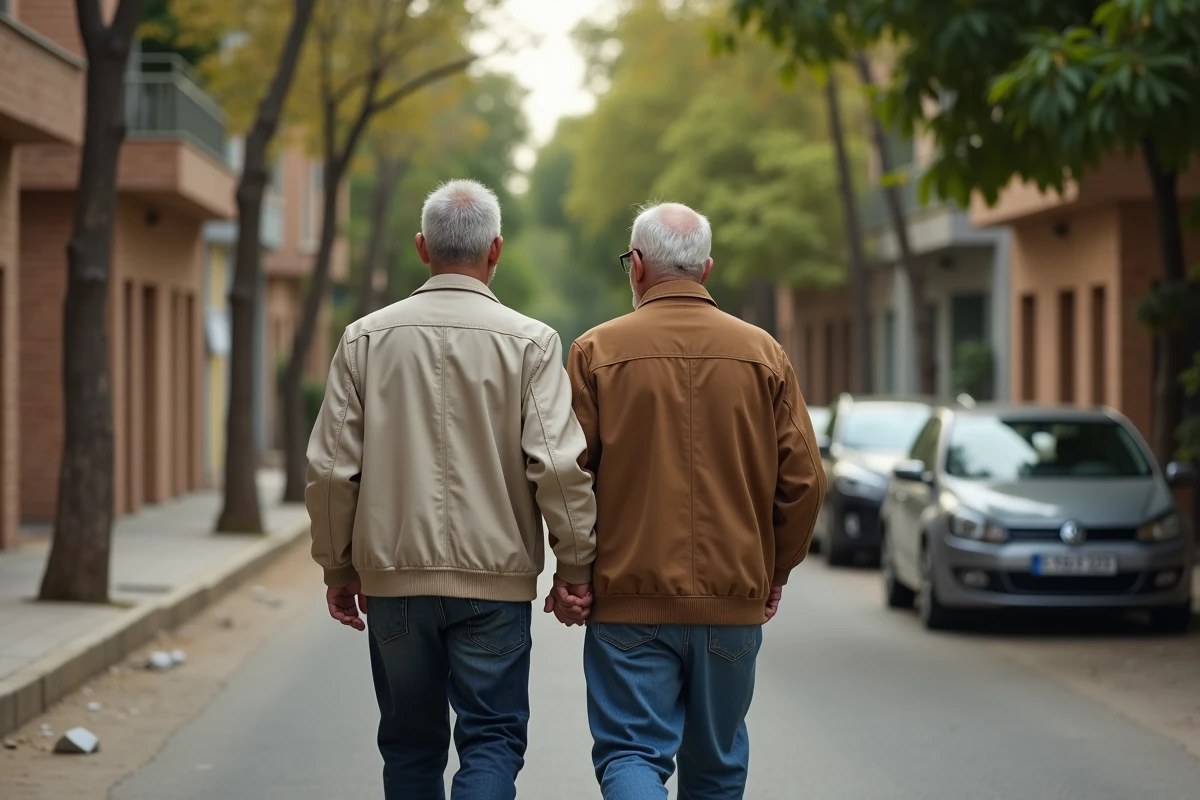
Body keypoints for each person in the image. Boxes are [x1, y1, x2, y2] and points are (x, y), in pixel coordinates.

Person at [305, 179, 597, 800]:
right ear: (496, 251)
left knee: (409, 745)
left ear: (421, 248)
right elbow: (558, 464)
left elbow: (332, 469)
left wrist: (337, 566)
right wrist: (575, 564)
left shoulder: (363, 339)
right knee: (491, 738)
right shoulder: (532, 342)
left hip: (393, 579)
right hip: (496, 582)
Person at [554, 202, 826, 799]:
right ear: (705, 269)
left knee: (631, 754)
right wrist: (773, 571)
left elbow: (567, 474)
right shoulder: (764, 355)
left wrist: (573, 572)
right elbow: (805, 480)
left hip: (627, 599)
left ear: (639, 267)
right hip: (732, 599)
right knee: (719, 768)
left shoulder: (595, 353)